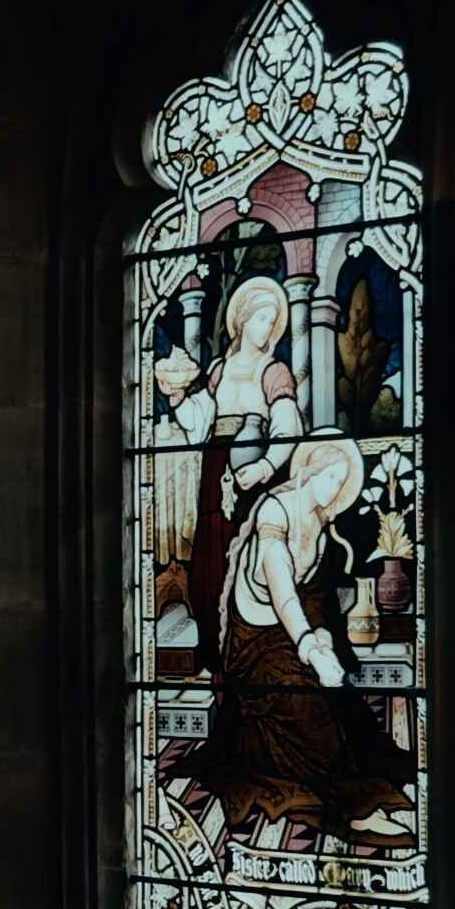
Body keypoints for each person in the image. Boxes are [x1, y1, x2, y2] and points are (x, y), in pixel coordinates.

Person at [171, 438, 418, 851]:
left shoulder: (319, 525)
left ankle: (358, 781)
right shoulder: (275, 512)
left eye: (341, 481)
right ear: (308, 471)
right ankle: (353, 806)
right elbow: (281, 585)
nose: (334, 488)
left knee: (344, 703)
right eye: (329, 477)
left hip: (292, 634)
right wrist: (308, 645)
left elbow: (314, 596)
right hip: (252, 643)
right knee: (306, 699)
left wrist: (321, 636)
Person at [149, 269, 306, 672]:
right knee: (210, 563)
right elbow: (199, 421)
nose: (265, 328)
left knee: (249, 559)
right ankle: (216, 653)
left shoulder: (274, 371)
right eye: (259, 319)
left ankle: (249, 653)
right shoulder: (219, 368)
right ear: (241, 320)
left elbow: (289, 426)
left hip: (252, 472)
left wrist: (266, 466)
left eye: (272, 322)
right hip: (215, 470)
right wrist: (178, 395)